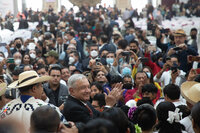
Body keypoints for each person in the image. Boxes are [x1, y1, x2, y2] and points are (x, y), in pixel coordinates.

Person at [0, 71, 66, 132]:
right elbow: (64, 128)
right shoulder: (47, 109)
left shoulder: (6, 108)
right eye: (41, 86)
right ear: (34, 88)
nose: (42, 89)